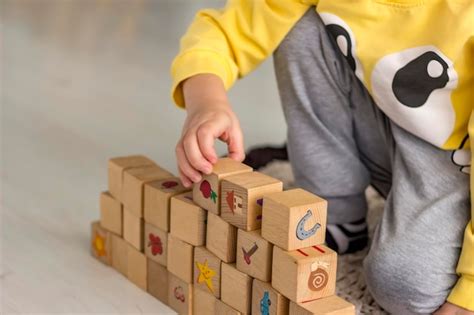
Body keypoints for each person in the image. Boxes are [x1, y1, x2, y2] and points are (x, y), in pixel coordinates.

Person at [170, 1, 473, 314]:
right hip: (388, 124)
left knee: (404, 286)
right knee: (297, 29)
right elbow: (231, 27)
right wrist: (205, 102)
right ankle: (337, 214)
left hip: (456, 166)